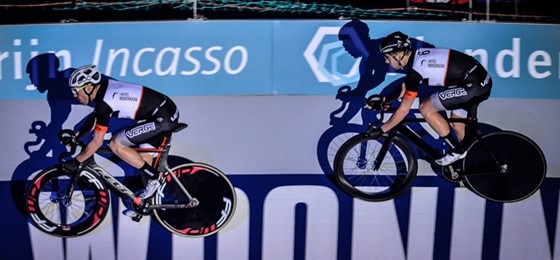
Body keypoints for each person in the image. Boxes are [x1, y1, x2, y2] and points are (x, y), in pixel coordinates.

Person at [62, 64, 180, 217]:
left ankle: (156, 177)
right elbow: (96, 117)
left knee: (115, 143)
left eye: (76, 91)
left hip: (162, 119)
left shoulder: (104, 103)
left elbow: (97, 142)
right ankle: (145, 202)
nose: (74, 95)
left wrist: (77, 161)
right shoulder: (103, 92)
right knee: (142, 160)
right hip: (164, 112)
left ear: (89, 88)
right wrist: (77, 135)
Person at [367, 31, 492, 166]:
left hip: (473, 86)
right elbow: (406, 86)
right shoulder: (417, 57)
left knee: (426, 108)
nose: (386, 61)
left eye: (387, 57)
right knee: (456, 123)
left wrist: (382, 130)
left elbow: (403, 110)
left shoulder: (415, 71)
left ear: (398, 55)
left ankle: (458, 151)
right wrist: (385, 100)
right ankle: (468, 163)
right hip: (476, 80)